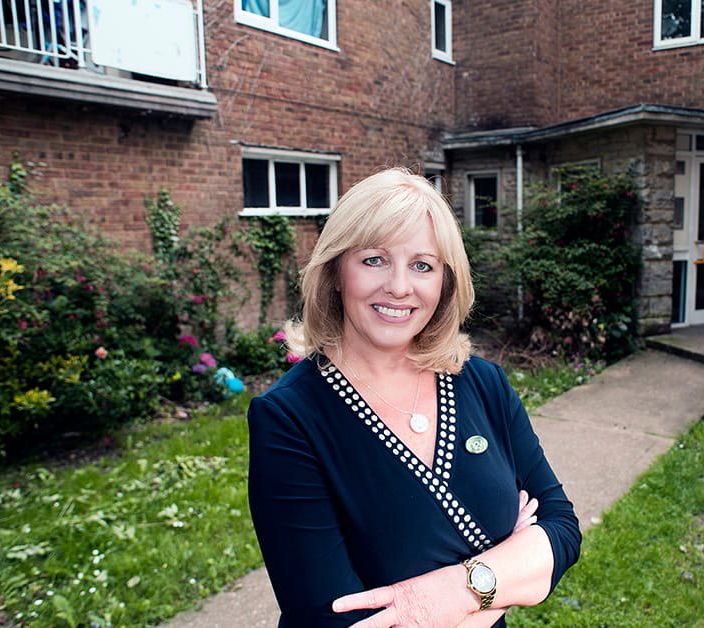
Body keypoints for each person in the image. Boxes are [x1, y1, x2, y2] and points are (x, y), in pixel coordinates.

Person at [247, 168, 581, 626]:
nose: (400, 286)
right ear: (336, 272)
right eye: (374, 260)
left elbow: (561, 530)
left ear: (445, 282)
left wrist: (459, 591)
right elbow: (332, 620)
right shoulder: (289, 418)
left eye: (422, 265)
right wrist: (509, 574)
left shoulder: (483, 383)